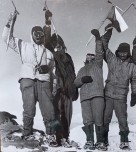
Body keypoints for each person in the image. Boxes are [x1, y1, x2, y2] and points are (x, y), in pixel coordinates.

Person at [2, 11, 59, 147]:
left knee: (49, 109)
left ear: (43, 36)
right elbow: (6, 37)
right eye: (36, 33)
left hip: (44, 81)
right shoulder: (23, 45)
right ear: (32, 35)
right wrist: (10, 21)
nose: (38, 35)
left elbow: (54, 72)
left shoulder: (48, 52)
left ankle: (51, 136)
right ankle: (27, 134)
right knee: (29, 108)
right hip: (27, 79)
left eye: (41, 33)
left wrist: (55, 85)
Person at [43, 10, 78, 147]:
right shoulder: (51, 54)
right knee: (55, 114)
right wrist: (48, 23)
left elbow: (73, 75)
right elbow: (46, 41)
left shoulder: (69, 58)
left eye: (59, 45)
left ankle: (65, 138)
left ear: (63, 45)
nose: (57, 47)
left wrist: (75, 90)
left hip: (68, 91)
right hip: (57, 89)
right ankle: (55, 138)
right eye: (55, 45)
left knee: (67, 117)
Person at [101, 25, 136, 150]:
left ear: (128, 53)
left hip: (121, 97)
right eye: (121, 52)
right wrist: (109, 31)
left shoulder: (131, 66)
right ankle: (103, 141)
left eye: (125, 52)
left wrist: (135, 94)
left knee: (123, 119)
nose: (123, 54)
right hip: (108, 94)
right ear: (118, 52)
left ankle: (124, 141)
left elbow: (134, 80)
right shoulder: (112, 60)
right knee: (105, 119)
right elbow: (103, 46)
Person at [74, 29, 107, 151]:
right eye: (88, 55)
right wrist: (82, 80)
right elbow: (76, 83)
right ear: (85, 57)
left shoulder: (98, 64)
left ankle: (101, 143)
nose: (90, 56)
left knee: (99, 119)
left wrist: (98, 39)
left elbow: (99, 52)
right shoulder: (81, 70)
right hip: (84, 97)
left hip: (97, 94)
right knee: (87, 120)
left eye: (92, 54)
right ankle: (89, 142)